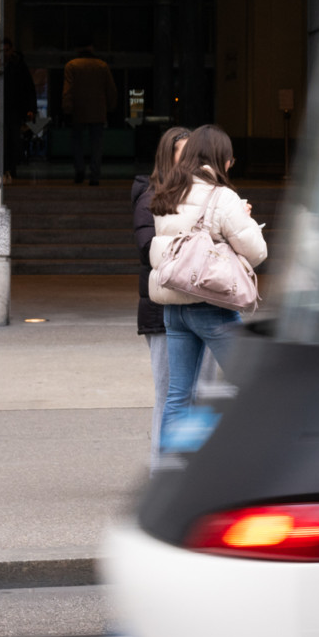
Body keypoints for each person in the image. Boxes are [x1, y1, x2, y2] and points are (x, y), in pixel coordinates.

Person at [148, 125, 267, 452]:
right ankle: (242, 465)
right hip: (211, 305)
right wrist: (244, 220)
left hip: (174, 307)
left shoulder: (168, 192)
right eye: (229, 158)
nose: (231, 164)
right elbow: (256, 252)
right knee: (251, 384)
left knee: (178, 394)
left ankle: (171, 471)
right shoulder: (222, 196)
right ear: (220, 158)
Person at [132, 126, 192, 468]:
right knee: (170, 394)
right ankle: (162, 467)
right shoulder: (150, 194)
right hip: (160, 308)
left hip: (188, 305)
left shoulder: (196, 194)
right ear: (167, 158)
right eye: (183, 156)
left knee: (188, 394)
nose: (190, 164)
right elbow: (146, 248)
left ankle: (181, 466)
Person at [61, 45, 118, 185]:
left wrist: (67, 107)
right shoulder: (102, 66)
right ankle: (95, 175)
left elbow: (68, 89)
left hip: (78, 109)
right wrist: (111, 106)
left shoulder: (72, 65)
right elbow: (111, 89)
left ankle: (79, 170)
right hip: (98, 110)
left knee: (77, 141)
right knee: (96, 143)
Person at [0, 45, 36, 179]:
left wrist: (30, 109)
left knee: (12, 140)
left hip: (13, 109)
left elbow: (27, 88)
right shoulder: (16, 66)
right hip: (6, 108)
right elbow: (28, 88)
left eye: (7, 50)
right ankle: (7, 167)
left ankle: (10, 167)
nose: (5, 54)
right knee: (7, 139)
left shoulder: (18, 66)